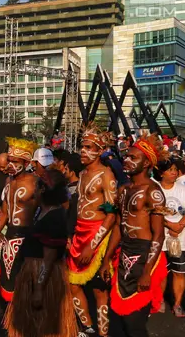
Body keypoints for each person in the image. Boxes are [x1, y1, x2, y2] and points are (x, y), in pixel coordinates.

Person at [99, 133, 169, 337]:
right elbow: (119, 227)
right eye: (126, 156)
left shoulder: (153, 191)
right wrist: (106, 260)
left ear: (147, 163)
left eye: (133, 158)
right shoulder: (124, 190)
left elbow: (159, 235)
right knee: (119, 319)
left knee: (135, 323)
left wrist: (147, 271)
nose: (126, 161)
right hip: (125, 254)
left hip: (145, 255)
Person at [3, 170, 78, 337]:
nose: (33, 190)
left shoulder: (54, 216)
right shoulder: (40, 212)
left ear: (43, 190)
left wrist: (38, 288)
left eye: (36, 187)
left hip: (42, 277)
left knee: (44, 324)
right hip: (32, 273)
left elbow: (49, 257)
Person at [66, 125, 118, 337]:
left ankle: (103, 333)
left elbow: (112, 213)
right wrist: (71, 235)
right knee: (72, 284)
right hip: (79, 233)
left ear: (99, 150)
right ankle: (87, 327)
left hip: (98, 235)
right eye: (82, 146)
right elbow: (76, 207)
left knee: (99, 289)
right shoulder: (82, 173)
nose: (83, 151)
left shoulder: (106, 175)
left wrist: (93, 244)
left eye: (88, 147)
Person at [0, 137, 40, 302]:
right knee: (10, 288)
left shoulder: (36, 183)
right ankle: (14, 322)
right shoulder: (9, 181)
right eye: (8, 160)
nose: (10, 165)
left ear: (26, 162)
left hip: (29, 239)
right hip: (10, 238)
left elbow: (50, 210)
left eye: (14, 161)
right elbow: (4, 214)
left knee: (29, 288)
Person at [155, 158, 185, 318]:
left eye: (175, 169)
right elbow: (152, 211)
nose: (174, 172)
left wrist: (179, 226)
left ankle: (177, 303)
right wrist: (168, 224)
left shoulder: (184, 190)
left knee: (179, 272)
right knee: (161, 272)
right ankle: (159, 300)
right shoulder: (155, 189)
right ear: (161, 172)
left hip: (182, 239)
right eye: (169, 169)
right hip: (160, 238)